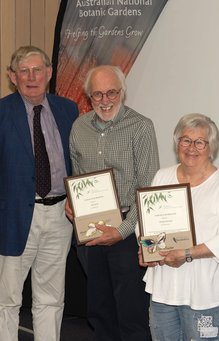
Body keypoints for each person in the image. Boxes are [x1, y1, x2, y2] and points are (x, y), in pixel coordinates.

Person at [0, 46, 79, 341]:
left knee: (51, 299)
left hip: (60, 218)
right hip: (14, 219)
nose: (32, 77)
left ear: (50, 73)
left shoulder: (68, 109)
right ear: (12, 76)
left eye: (38, 70)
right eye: (24, 71)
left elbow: (76, 162)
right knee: (7, 301)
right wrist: (4, 208)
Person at [66, 65, 160, 340]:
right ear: (88, 97)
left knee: (131, 314)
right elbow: (77, 175)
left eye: (111, 93)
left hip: (128, 232)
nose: (105, 101)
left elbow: (146, 189)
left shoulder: (141, 127)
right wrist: (72, 202)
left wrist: (120, 231)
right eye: (97, 95)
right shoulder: (79, 127)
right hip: (90, 231)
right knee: (99, 311)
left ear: (122, 92)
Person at [138, 113, 219, 341]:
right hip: (165, 287)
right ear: (177, 144)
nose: (191, 147)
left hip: (205, 293)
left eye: (200, 142)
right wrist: (147, 250)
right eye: (185, 140)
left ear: (211, 147)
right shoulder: (162, 177)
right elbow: (144, 224)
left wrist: (186, 254)